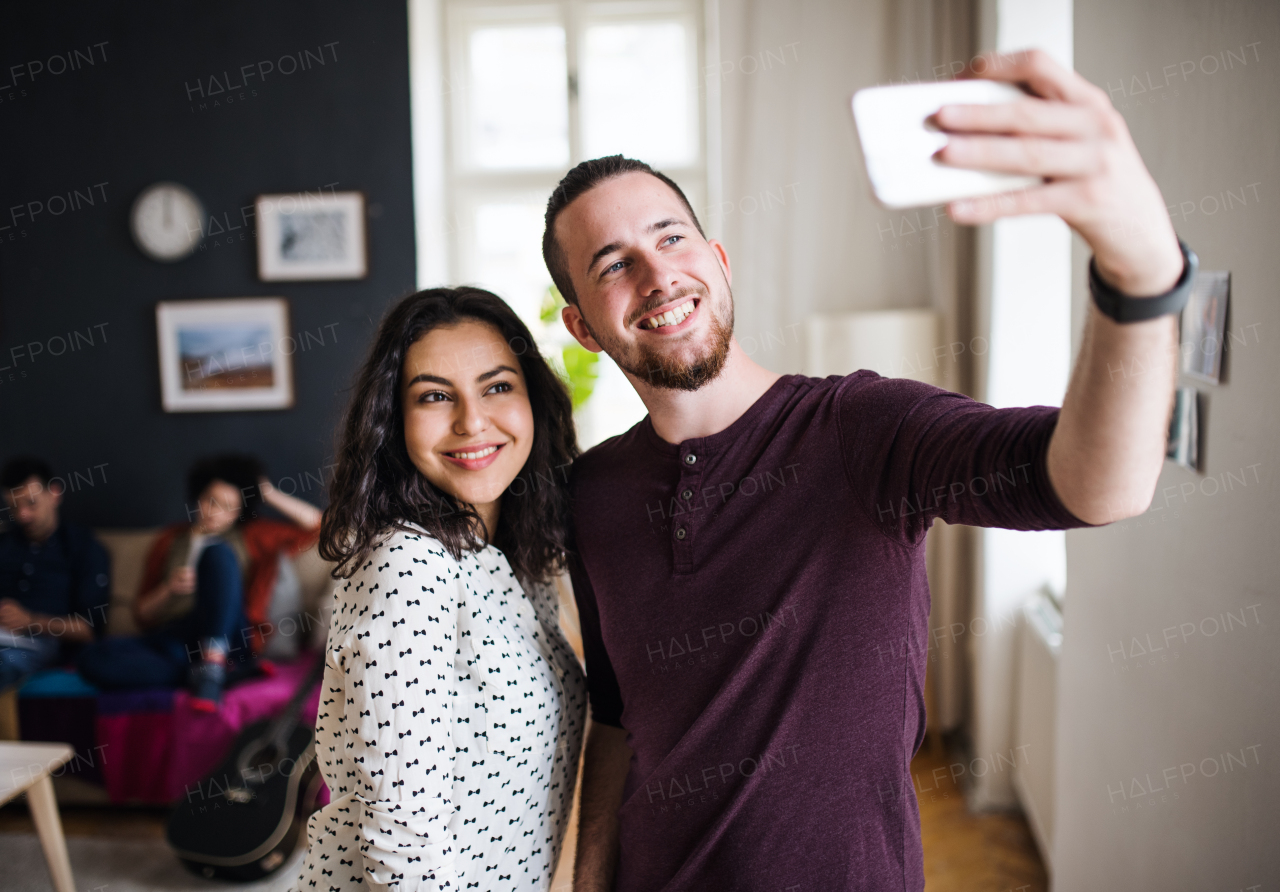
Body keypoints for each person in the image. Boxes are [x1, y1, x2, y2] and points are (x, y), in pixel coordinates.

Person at [544, 52, 1194, 891]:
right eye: (612, 263)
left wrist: (1141, 274)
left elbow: (1096, 484)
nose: (657, 272)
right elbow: (616, 719)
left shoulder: (859, 427)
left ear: (718, 258)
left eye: (670, 237)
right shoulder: (589, 495)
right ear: (584, 327)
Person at [293, 288, 586, 892]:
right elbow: (401, 844)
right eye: (434, 396)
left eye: (497, 386)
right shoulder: (409, 564)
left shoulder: (510, 555)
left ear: (534, 398)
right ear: (394, 421)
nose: (472, 421)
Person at [77, 454, 321, 710]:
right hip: (178, 636)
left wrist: (267, 492)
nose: (215, 512)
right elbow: (142, 615)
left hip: (229, 637)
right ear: (198, 499)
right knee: (91, 659)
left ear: (239, 512)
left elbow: (318, 526)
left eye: (228, 506)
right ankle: (215, 676)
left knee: (216, 552)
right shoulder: (169, 539)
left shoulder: (251, 535)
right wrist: (168, 590)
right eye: (211, 501)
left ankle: (214, 663)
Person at [0, 457, 111, 687]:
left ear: (54, 494)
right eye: (13, 507)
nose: (22, 516)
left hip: (41, 644)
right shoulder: (5, 543)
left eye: (31, 504)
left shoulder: (83, 547)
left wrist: (31, 621)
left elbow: (90, 629)